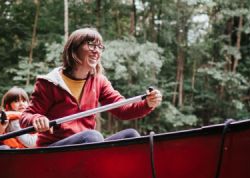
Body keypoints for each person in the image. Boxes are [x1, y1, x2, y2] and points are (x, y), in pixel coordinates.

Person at [20, 27, 163, 147]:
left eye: (100, 47)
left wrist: (147, 104)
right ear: (74, 49)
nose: (97, 51)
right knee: (93, 136)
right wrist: (36, 119)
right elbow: (25, 117)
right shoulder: (49, 83)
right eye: (91, 45)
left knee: (131, 135)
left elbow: (123, 109)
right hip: (54, 149)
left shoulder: (99, 81)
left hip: (87, 145)